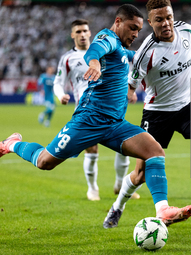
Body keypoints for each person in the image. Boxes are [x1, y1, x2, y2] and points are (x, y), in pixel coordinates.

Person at [0, 4, 191, 228]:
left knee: (154, 151)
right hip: (89, 121)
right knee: (45, 162)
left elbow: (141, 57)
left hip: (115, 124)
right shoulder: (108, 37)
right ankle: (12, 144)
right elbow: (95, 51)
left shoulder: (122, 50)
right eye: (132, 28)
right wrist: (93, 63)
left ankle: (163, 210)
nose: (135, 34)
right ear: (118, 22)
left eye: (139, 30)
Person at [104, 0, 191, 228]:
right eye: (159, 20)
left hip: (186, 108)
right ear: (150, 22)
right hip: (156, 115)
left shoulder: (183, 30)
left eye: (168, 17)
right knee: (140, 174)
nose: (166, 23)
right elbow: (130, 84)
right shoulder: (145, 54)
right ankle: (117, 207)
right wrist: (129, 94)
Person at [53, 19, 139, 201]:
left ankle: (119, 184)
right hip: (86, 111)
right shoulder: (68, 59)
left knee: (126, 147)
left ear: (90, 33)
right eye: (78, 32)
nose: (82, 34)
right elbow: (58, 83)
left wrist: (130, 89)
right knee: (91, 150)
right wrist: (61, 95)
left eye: (85, 31)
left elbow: (130, 62)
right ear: (72, 35)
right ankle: (92, 189)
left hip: (111, 108)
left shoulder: (108, 48)